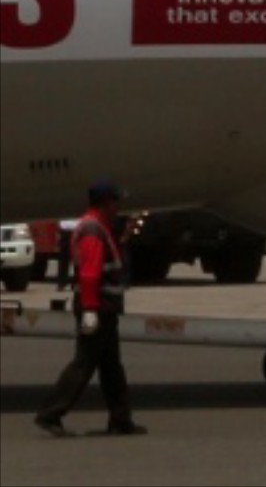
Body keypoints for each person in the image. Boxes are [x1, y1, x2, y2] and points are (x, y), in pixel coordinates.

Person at [35, 179, 145, 437]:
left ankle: (120, 419)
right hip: (98, 305)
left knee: (111, 366)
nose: (118, 206)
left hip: (105, 306)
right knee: (84, 364)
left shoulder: (100, 226)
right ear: (106, 202)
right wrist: (90, 310)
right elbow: (89, 274)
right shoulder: (93, 230)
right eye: (115, 201)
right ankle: (50, 414)